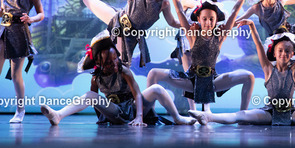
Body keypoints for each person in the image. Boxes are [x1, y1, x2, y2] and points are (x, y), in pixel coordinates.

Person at [40, 30, 196, 126]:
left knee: (157, 89)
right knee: (90, 95)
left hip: (132, 110)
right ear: (99, 63)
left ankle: (177, 118)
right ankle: (58, 115)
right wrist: (103, 118)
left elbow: (137, 94)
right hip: (115, 112)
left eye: (115, 59)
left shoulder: (124, 71)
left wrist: (139, 117)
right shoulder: (96, 79)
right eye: (109, 62)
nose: (114, 63)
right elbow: (95, 101)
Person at [146, 0, 254, 111]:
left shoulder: (220, 36)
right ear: (199, 19)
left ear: (216, 20)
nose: (208, 22)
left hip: (212, 80)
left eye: (211, 19)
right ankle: (149, 114)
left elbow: (234, 11)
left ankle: (243, 115)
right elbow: (179, 10)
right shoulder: (192, 35)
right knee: (153, 73)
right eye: (204, 19)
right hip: (191, 80)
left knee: (249, 76)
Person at [167, 0, 218, 111]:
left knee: (205, 73)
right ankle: (193, 110)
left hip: (202, 42)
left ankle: (206, 109)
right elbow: (199, 6)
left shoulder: (206, 1)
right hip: (186, 41)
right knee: (189, 76)